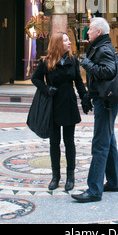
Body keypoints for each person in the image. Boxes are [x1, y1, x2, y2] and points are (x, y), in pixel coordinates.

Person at [31, 32, 92, 192]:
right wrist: (46, 88)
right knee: (54, 143)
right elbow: (35, 79)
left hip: (69, 103)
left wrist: (84, 97)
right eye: (66, 40)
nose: (69, 42)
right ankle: (55, 176)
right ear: (58, 43)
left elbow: (78, 81)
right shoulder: (46, 62)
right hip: (53, 104)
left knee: (69, 142)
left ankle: (70, 176)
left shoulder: (72, 60)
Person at [71, 17, 118, 203]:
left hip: (106, 102)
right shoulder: (100, 47)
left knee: (100, 144)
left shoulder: (104, 48)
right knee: (109, 139)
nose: (87, 31)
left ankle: (94, 190)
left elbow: (109, 71)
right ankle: (114, 182)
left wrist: (87, 64)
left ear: (99, 32)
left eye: (90, 29)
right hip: (103, 99)